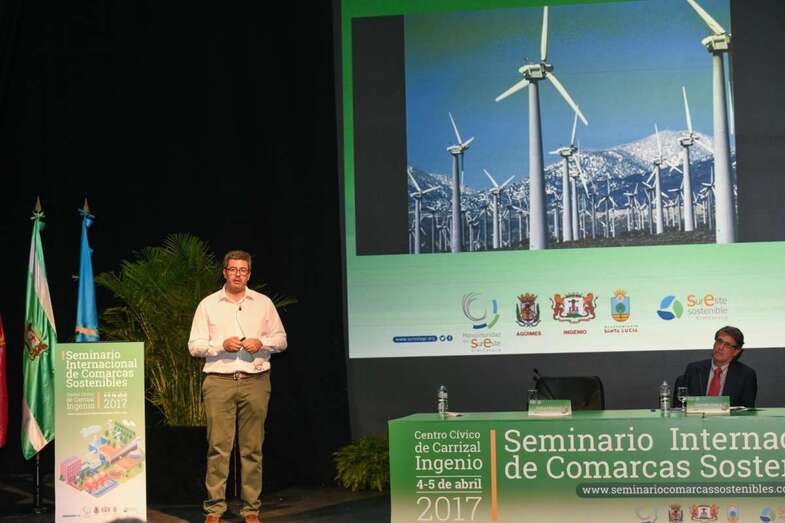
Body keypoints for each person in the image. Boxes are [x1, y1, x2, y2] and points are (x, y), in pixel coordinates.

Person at [188, 250, 288, 523]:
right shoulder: (208, 304)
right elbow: (194, 346)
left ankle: (251, 509)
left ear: (249, 274)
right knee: (218, 447)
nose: (237, 275)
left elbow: (281, 340)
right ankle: (214, 509)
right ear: (224, 272)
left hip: (255, 381)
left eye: (243, 270)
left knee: (252, 449)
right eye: (232, 270)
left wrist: (262, 343)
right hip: (219, 382)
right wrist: (221, 345)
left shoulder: (263, 303)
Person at [677, 326, 756, 408]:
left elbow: (747, 411)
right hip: (697, 419)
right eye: (719, 341)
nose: (720, 348)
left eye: (727, 345)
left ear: (736, 352)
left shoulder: (746, 375)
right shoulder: (694, 369)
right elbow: (681, 406)